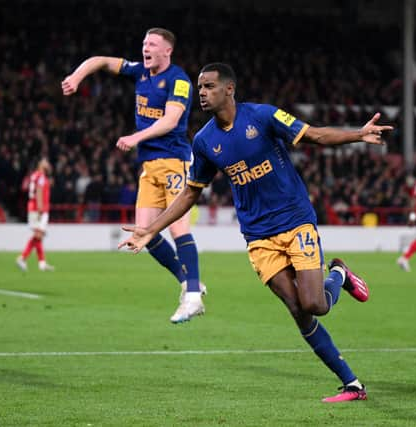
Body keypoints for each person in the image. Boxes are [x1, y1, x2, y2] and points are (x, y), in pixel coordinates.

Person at [120, 63, 393, 402]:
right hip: (258, 237)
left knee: (314, 303)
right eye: (199, 87)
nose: (201, 93)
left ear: (229, 89)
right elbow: (191, 192)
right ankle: (352, 384)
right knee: (298, 311)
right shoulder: (204, 141)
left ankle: (337, 273)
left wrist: (357, 134)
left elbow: (314, 135)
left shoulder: (263, 117)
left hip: (295, 222)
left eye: (208, 86)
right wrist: (150, 229)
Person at [62, 27, 204, 323]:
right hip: (150, 166)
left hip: (174, 162)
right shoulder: (140, 72)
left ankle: (192, 297)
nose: (145, 47)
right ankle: (188, 282)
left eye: (152, 44)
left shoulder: (178, 81)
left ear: (168, 51)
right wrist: (77, 77)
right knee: (144, 235)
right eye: (144, 43)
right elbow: (100, 60)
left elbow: (171, 120)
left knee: (178, 229)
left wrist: (136, 137)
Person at [16, 157, 55, 272]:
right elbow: (38, 191)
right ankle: (22, 258)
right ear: (40, 164)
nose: (48, 163)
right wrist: (40, 209)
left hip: (36, 207)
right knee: (38, 235)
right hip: (38, 208)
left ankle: (42, 263)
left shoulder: (35, 175)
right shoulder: (41, 176)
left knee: (39, 236)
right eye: (45, 162)